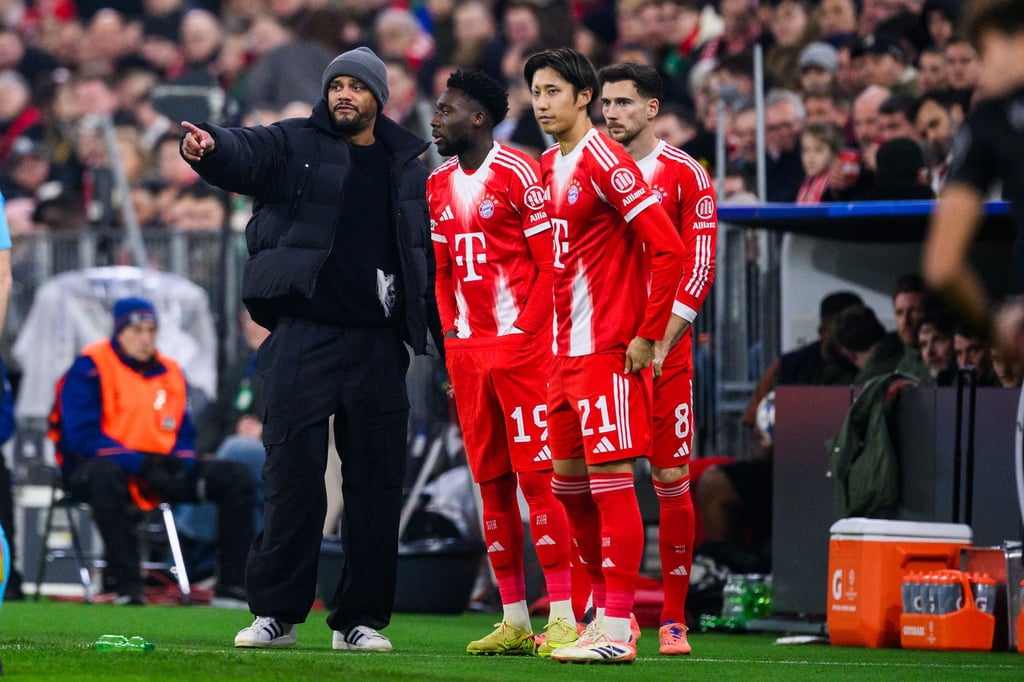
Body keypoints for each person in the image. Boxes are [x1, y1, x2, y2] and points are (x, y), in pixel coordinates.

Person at [180, 46, 441, 651]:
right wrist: (211, 147)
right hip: (303, 333)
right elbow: (246, 154)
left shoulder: (408, 162)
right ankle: (276, 615)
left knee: (375, 485)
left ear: (380, 96)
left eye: (356, 86)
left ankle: (359, 621)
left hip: (379, 342)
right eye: (336, 85)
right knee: (291, 477)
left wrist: (442, 345)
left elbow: (426, 259)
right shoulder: (294, 141)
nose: (344, 95)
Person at [524, 47, 684, 663]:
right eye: (536, 91)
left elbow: (668, 250)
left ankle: (619, 627)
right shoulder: (547, 163)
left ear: (583, 97)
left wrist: (647, 335)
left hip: (607, 351)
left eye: (553, 91)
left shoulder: (607, 163)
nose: (542, 103)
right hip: (561, 357)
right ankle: (594, 615)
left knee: (614, 485)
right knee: (567, 489)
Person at [427, 68, 576, 657]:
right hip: (468, 355)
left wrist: (523, 336)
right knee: (490, 485)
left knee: (539, 481)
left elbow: (550, 267)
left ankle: (561, 613)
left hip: (520, 351)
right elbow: (442, 274)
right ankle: (514, 618)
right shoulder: (436, 184)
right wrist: (453, 343)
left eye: (447, 110)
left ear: (479, 118)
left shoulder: (519, 173)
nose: (437, 119)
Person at [598, 61, 717, 656]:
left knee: (669, 477)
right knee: (595, 479)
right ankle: (606, 610)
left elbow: (699, 264)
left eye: (623, 102)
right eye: (606, 103)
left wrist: (664, 338)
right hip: (603, 352)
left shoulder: (685, 174)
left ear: (652, 109)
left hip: (665, 351)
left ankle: (673, 617)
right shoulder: (590, 167)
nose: (611, 112)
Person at [55, 297, 255, 606]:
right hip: (106, 468)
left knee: (235, 477)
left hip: (161, 468)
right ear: (118, 332)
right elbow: (82, 437)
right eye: (136, 330)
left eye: (151, 330)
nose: (145, 338)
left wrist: (182, 462)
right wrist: (138, 462)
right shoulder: (90, 367)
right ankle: (127, 586)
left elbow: (186, 431)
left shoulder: (171, 371)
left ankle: (232, 587)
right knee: (104, 477)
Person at [923, 0, 1024, 358]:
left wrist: (994, 330)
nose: (980, 73)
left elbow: (942, 265)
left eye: (981, 54)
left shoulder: (991, 121)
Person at [796, 121, 844, 204]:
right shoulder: (803, 184)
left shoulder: (835, 187)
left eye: (818, 150)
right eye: (806, 150)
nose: (810, 157)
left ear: (834, 154)